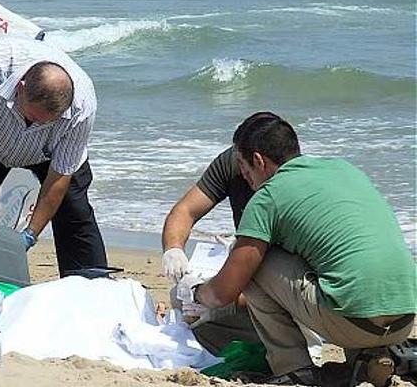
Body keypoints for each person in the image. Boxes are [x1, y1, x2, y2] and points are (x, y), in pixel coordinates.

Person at [176, 113, 416, 385]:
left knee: (254, 262)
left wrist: (197, 294)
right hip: (404, 319)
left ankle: (294, 368)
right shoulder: (343, 169)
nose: (245, 178)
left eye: (244, 168)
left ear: (258, 161)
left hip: (351, 324)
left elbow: (224, 292)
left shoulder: (267, 196)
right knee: (339, 264)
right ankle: (370, 358)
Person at [0, 36, 107, 276]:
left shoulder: (83, 105)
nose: (36, 125)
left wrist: (31, 233)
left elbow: (61, 174)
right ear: (21, 87)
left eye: (48, 122)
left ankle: (90, 286)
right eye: (34, 118)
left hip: (49, 152)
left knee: (75, 215)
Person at [160, 113, 286, 355]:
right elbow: (185, 210)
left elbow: (282, 288)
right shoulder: (235, 164)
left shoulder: (284, 193)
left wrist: (206, 297)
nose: (242, 172)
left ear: (259, 162)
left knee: (198, 311)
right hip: (249, 276)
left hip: (280, 293)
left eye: (244, 165)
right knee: (182, 299)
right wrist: (173, 249)